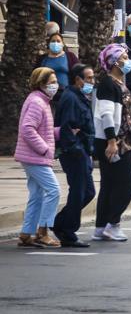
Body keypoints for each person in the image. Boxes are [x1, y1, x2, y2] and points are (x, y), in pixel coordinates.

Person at [92, 44, 131, 242]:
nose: (128, 59)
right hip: (115, 142)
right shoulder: (108, 84)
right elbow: (106, 114)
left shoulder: (118, 82)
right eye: (124, 56)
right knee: (127, 182)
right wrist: (111, 142)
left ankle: (100, 227)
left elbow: (121, 114)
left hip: (121, 140)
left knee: (110, 184)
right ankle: (113, 224)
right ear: (114, 62)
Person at [14, 67, 61, 248]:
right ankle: (42, 232)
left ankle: (26, 234)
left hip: (33, 155)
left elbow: (42, 129)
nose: (55, 86)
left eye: (55, 82)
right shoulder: (37, 102)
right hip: (35, 156)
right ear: (41, 84)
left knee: (37, 194)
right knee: (54, 190)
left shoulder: (41, 100)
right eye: (52, 82)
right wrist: (44, 149)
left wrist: (61, 132)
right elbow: (27, 128)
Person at [52, 64, 96, 247]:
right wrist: (77, 149)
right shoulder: (71, 98)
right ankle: (68, 232)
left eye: (93, 78)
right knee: (79, 192)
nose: (92, 82)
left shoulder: (80, 97)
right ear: (78, 79)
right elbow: (67, 128)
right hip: (74, 153)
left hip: (82, 152)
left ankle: (60, 224)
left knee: (88, 192)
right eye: (89, 78)